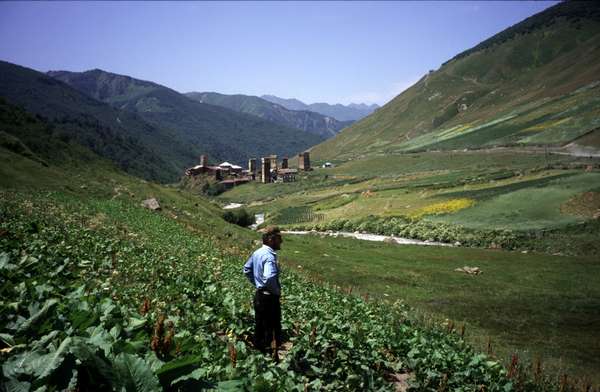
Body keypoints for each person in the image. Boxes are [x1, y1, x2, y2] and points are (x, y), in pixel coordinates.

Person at [243, 226, 283, 354]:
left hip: (259, 295)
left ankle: (259, 354)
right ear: (271, 239)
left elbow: (247, 269)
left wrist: (257, 284)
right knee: (272, 329)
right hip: (269, 298)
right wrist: (275, 291)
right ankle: (272, 358)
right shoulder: (270, 256)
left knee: (260, 326)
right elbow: (270, 277)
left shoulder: (257, 253)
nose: (281, 241)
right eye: (279, 238)